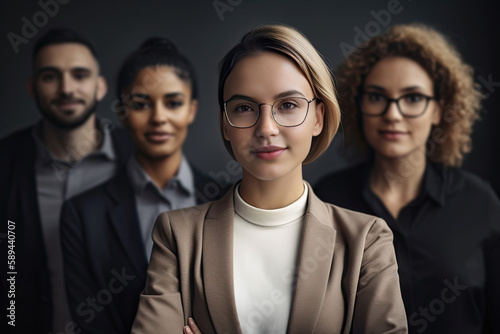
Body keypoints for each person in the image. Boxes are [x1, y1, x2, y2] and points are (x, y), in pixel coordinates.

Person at [131, 24, 407, 334]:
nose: (266, 128)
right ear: (225, 124)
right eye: (245, 108)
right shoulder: (177, 236)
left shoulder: (366, 240)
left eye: (288, 105)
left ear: (318, 117)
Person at [314, 24, 500, 334]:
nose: (393, 114)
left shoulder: (480, 203)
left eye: (412, 98)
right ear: (357, 105)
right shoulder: (328, 198)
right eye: (377, 96)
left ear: (439, 109)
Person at [60, 37, 231, 334]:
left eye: (173, 103)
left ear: (191, 110)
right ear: (122, 111)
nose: (158, 118)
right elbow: (90, 323)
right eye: (141, 104)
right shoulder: (81, 215)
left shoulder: (230, 199)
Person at [0, 28, 133, 334]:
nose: (66, 88)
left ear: (100, 87)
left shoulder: (141, 157)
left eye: (80, 75)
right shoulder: (6, 163)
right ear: (33, 88)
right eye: (50, 76)